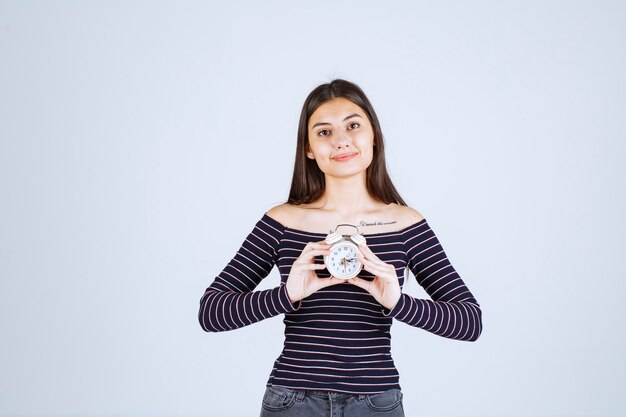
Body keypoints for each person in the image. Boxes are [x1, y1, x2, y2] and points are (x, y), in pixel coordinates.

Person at [198, 79, 482, 417]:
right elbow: (211, 312)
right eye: (324, 132)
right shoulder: (283, 221)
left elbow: (470, 321)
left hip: (376, 401)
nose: (341, 140)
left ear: (373, 134)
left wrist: (396, 302)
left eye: (353, 125)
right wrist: (285, 295)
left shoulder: (405, 223)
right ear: (308, 148)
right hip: (292, 400)